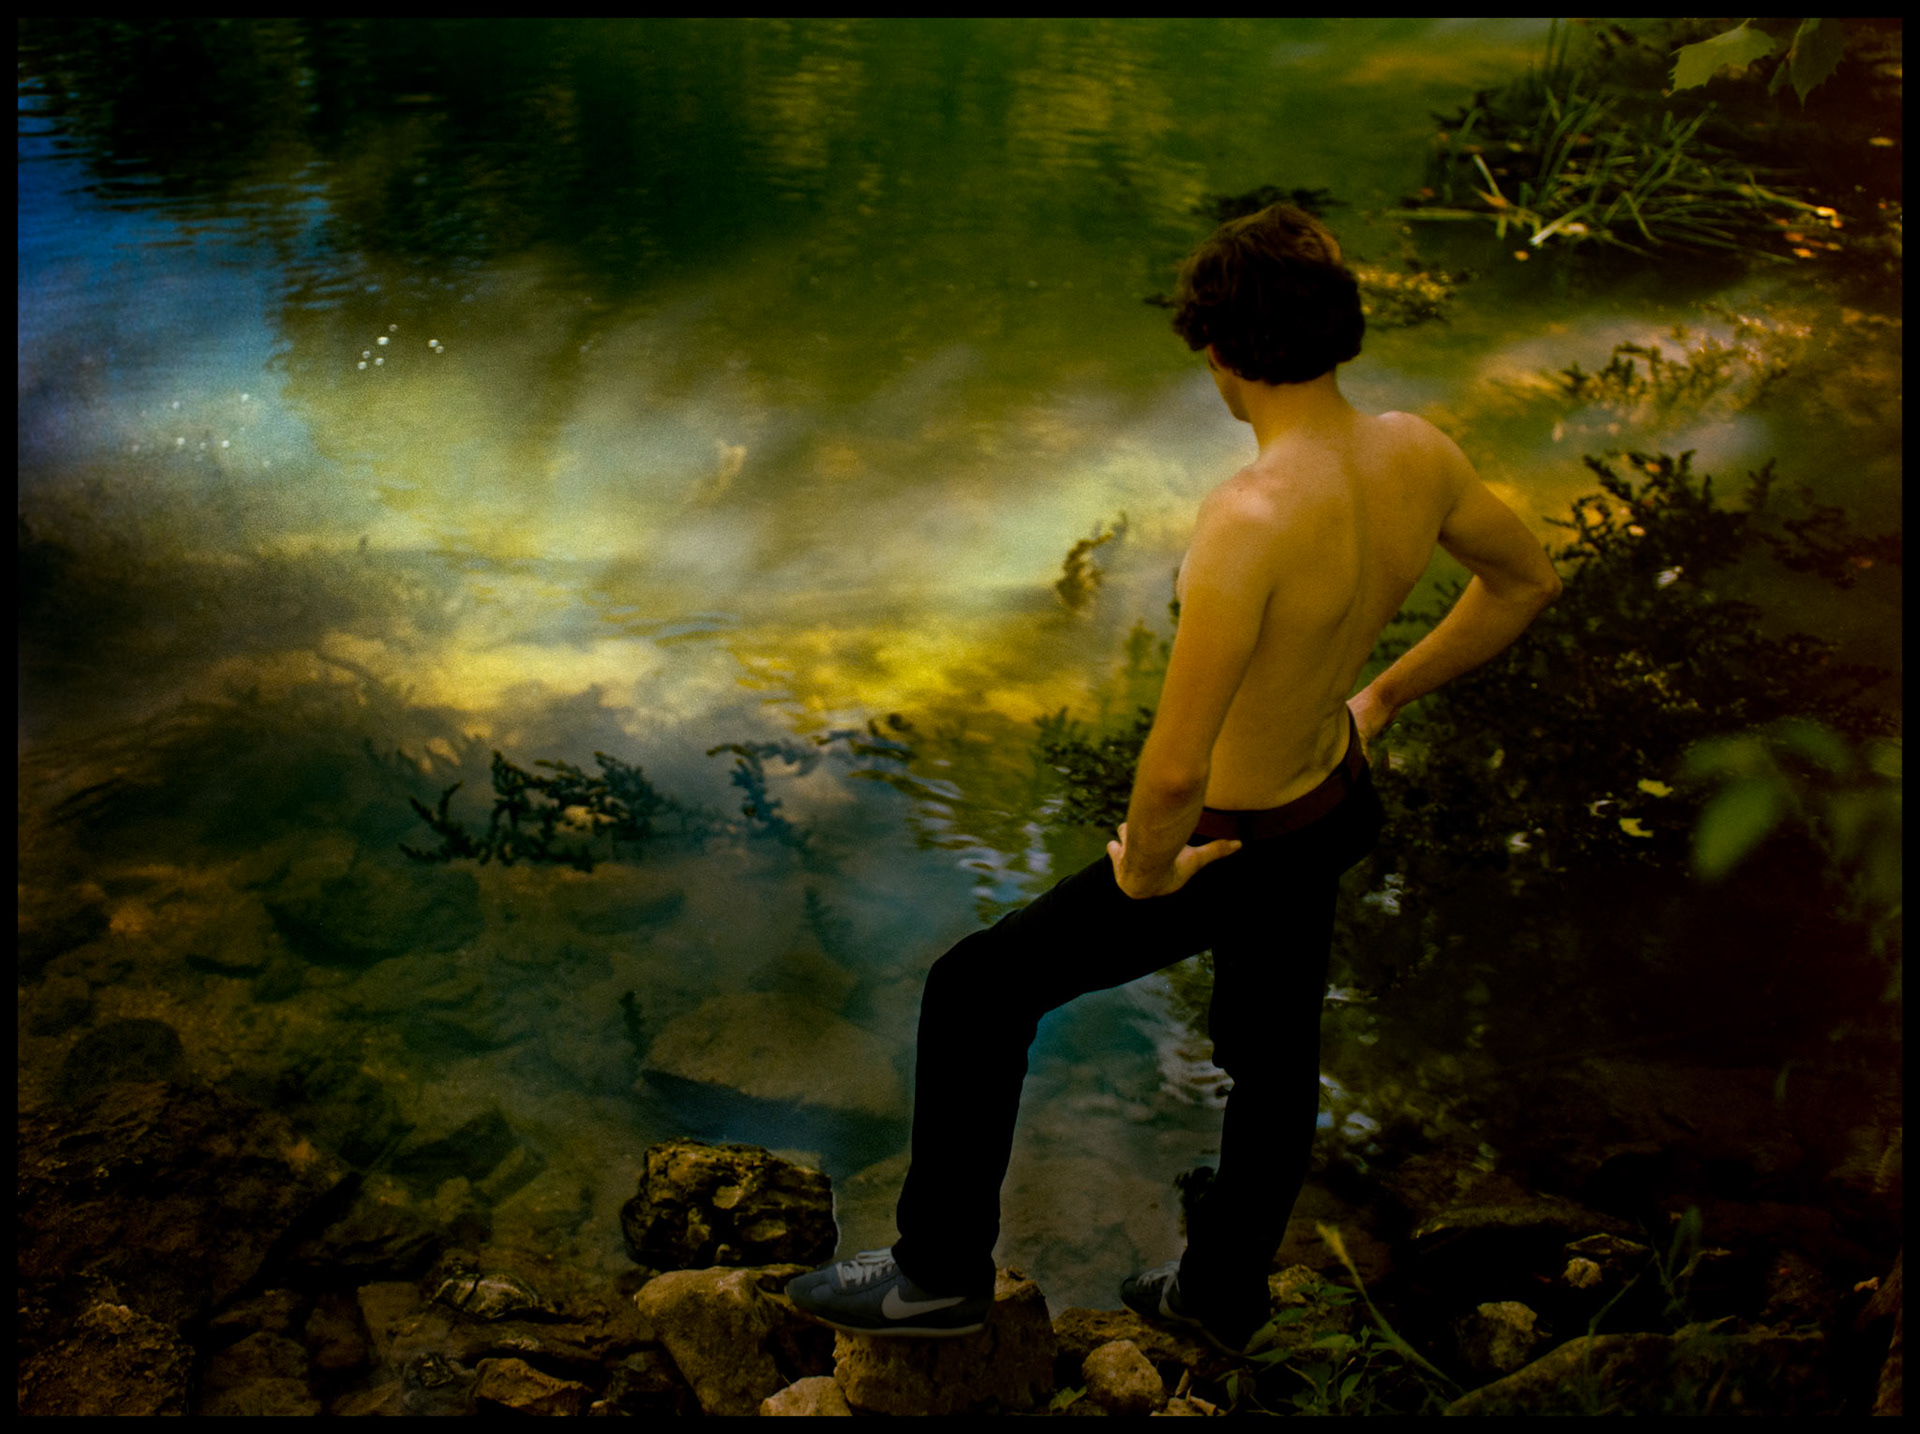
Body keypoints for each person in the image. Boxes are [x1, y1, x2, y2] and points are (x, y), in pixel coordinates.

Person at [786, 204, 1563, 1352]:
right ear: (1338, 330)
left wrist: (1149, 873)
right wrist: (1384, 695)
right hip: (1329, 800)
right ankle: (1218, 1292)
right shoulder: (1416, 450)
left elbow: (1174, 764)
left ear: (1218, 353)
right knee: (1274, 1058)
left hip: (1227, 838)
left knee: (976, 991)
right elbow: (1526, 581)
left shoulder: (1248, 517)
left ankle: (937, 1273)